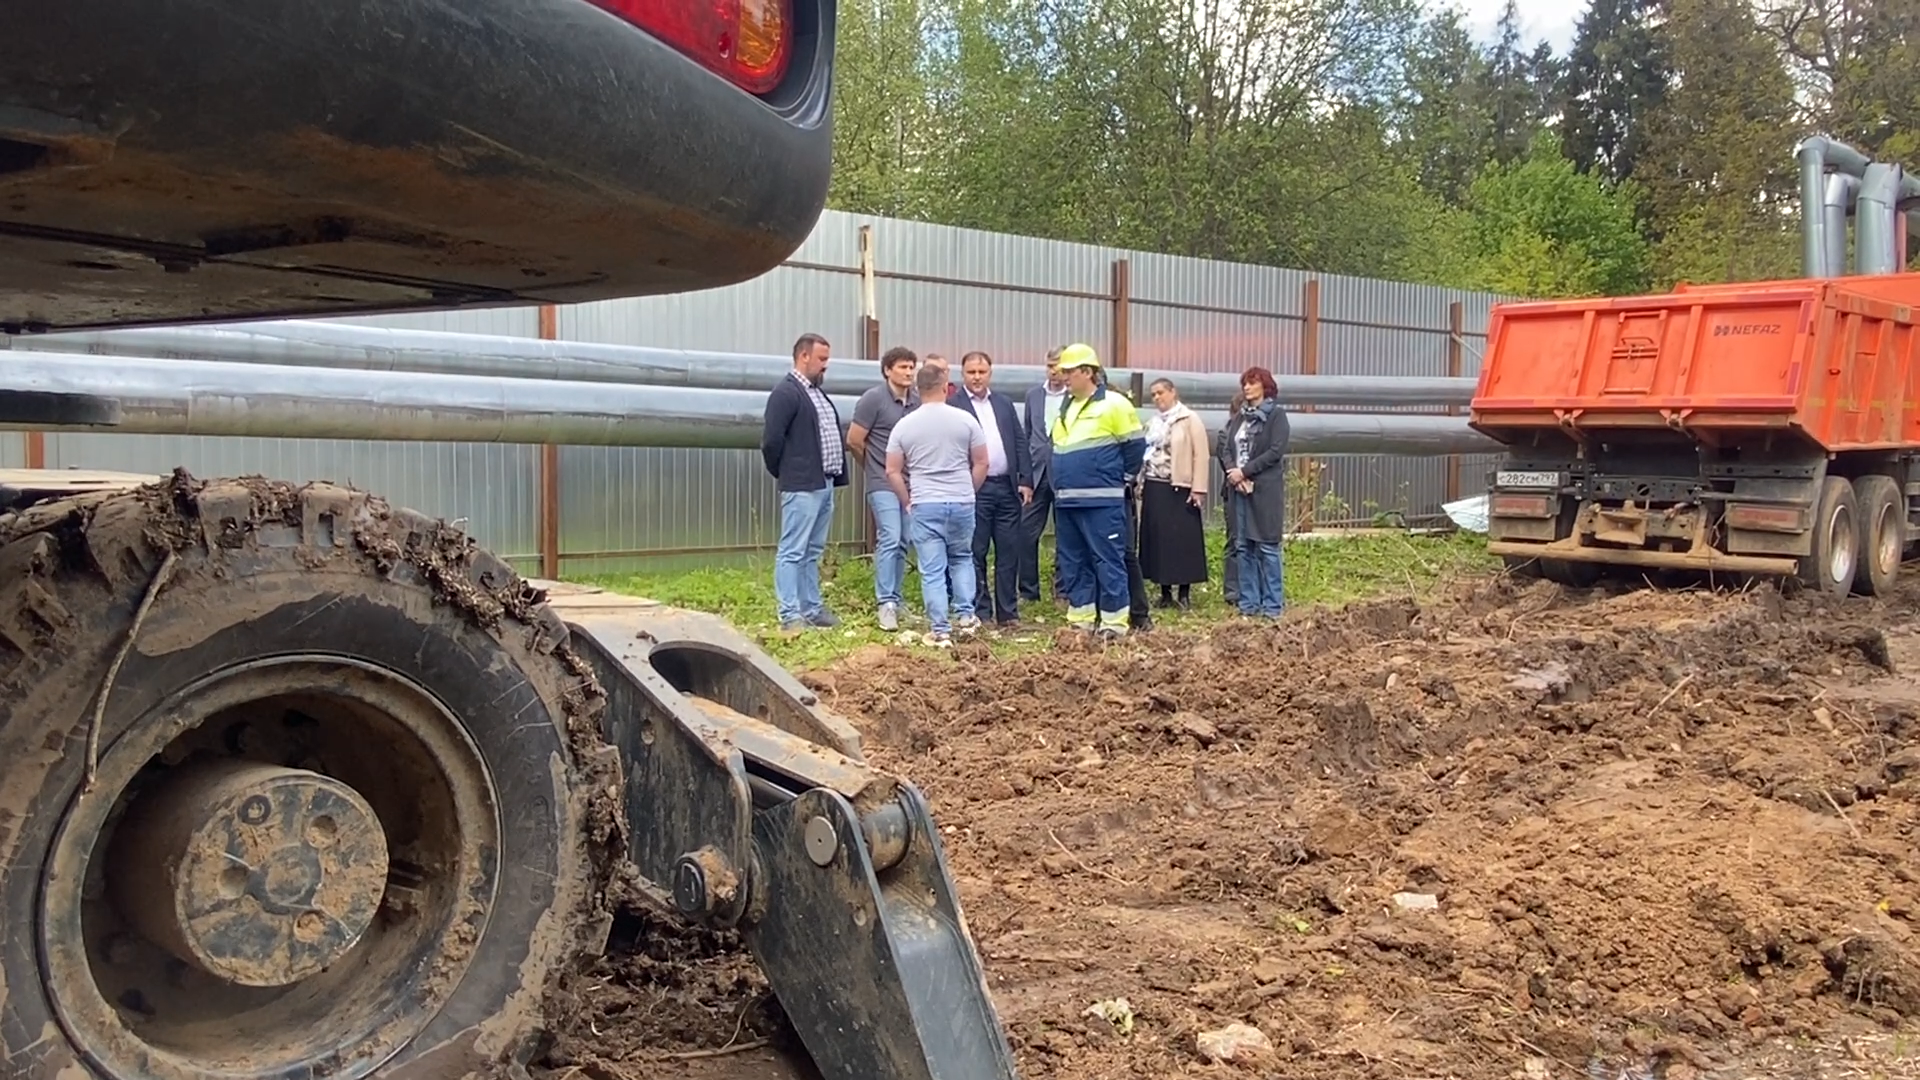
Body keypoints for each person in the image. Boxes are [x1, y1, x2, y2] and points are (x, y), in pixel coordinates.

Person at [887, 361, 989, 646]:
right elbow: (982, 461)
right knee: (961, 558)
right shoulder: (966, 420)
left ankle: (941, 630)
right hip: (961, 501)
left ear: (918, 391)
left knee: (932, 568)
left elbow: (892, 470)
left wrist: (907, 500)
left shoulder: (904, 425)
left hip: (925, 502)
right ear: (946, 387)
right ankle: (967, 617)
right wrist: (969, 490)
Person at [1049, 343, 1145, 639]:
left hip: (1101, 502)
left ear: (1087, 372)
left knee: (1108, 560)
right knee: (1073, 562)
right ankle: (1082, 619)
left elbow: (1135, 447)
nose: (1063, 376)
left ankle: (1114, 624)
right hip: (1067, 501)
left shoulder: (1115, 404)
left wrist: (1120, 479)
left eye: (1069, 371)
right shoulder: (1066, 406)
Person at [759, 332, 846, 631]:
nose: (825, 366)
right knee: (793, 550)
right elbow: (771, 442)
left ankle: (811, 608)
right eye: (822, 359)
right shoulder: (786, 393)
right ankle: (789, 615)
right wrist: (787, 472)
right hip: (802, 484)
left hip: (824, 483)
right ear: (804, 356)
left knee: (812, 551)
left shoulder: (815, 392)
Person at [952, 351, 1031, 626]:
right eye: (971, 372)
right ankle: (981, 611)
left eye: (981, 372)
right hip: (975, 489)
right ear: (962, 374)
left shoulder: (1003, 403)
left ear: (990, 373)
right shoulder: (954, 405)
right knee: (976, 551)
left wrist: (1025, 480)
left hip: (1007, 488)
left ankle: (1008, 613)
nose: (977, 377)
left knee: (1009, 551)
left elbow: (1019, 442)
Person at [847, 346, 919, 631]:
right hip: (882, 482)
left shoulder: (916, 401)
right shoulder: (873, 399)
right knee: (889, 536)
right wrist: (874, 467)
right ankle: (885, 602)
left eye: (912, 367)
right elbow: (854, 439)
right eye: (903, 367)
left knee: (904, 539)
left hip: (911, 484)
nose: (908, 372)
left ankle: (898, 599)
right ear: (888, 370)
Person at [1220, 366, 1290, 618]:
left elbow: (1275, 451)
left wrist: (1246, 471)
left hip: (1265, 491)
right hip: (1239, 489)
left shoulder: (1276, 416)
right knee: (1243, 546)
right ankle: (1248, 604)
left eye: (1251, 383)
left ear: (1265, 386)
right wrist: (1233, 472)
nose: (1246, 388)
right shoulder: (1239, 417)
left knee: (1268, 547)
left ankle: (1273, 606)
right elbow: (1226, 447)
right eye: (1244, 384)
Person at [1140, 377, 1210, 610]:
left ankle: (1184, 592)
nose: (1157, 398)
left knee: (1182, 540)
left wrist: (1198, 488)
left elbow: (1201, 454)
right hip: (1155, 484)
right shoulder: (1153, 423)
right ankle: (1164, 591)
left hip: (1179, 486)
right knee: (1158, 539)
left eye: (1161, 392)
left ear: (1173, 392)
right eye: (1153, 395)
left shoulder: (1189, 419)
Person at [1020, 348, 1069, 604]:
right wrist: (1025, 477)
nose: (1054, 371)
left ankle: (1063, 590)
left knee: (1066, 535)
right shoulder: (1033, 395)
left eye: (1059, 366)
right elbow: (1028, 436)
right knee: (1026, 533)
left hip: (1064, 474)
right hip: (1037, 475)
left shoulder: (1074, 397)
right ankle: (1029, 592)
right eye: (1050, 365)